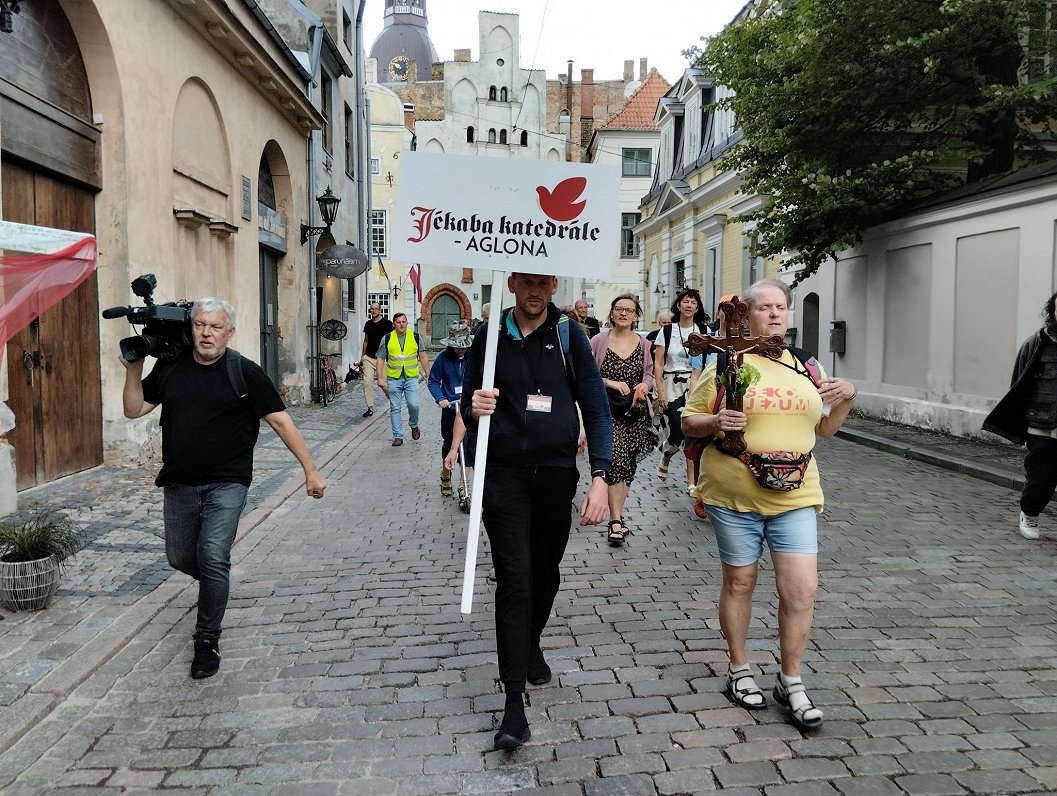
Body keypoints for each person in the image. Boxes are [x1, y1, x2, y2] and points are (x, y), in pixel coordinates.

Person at [681, 278, 856, 732]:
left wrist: (847, 400)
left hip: (796, 492)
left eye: (781, 307)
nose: (775, 314)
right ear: (746, 313)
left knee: (800, 589)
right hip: (734, 490)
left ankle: (790, 680)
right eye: (764, 307)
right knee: (740, 582)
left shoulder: (807, 368)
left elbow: (826, 430)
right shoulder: (725, 364)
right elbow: (688, 422)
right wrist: (716, 420)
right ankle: (740, 669)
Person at [120, 298, 326, 679]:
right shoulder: (171, 367)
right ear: (191, 328)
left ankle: (206, 639)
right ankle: (216, 585)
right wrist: (134, 370)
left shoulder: (244, 372)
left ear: (229, 333)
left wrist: (310, 470)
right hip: (180, 483)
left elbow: (281, 422)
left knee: (213, 555)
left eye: (215, 327)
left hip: (228, 482)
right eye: (200, 325)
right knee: (181, 558)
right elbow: (134, 409)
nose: (206, 333)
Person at [463, 272, 612, 751]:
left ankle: (531, 641)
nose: (534, 291)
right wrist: (474, 405)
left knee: (545, 572)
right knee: (515, 577)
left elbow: (595, 406)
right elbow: (464, 404)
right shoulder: (488, 334)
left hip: (554, 473)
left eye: (542, 283)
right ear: (510, 283)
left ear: (553, 286)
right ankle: (512, 702)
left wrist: (601, 476)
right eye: (525, 282)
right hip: (502, 472)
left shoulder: (571, 336)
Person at [983, 290, 1057, 540]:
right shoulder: (1037, 343)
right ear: (1052, 311)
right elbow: (1019, 382)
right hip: (1042, 423)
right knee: (1041, 477)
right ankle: (1030, 515)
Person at [589, 294, 657, 546]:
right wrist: (610, 382)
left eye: (629, 310)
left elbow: (649, 375)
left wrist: (643, 385)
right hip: (607, 411)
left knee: (628, 465)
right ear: (612, 313)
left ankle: (618, 514)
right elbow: (588, 373)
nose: (624, 314)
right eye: (619, 309)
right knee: (615, 460)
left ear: (636, 315)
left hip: (635, 412)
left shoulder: (644, 344)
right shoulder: (598, 341)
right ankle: (615, 520)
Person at [654, 287, 710, 490]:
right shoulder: (667, 331)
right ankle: (667, 453)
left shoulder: (703, 331)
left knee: (693, 432)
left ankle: (692, 482)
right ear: (679, 305)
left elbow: (709, 360)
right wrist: (660, 390)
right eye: (685, 301)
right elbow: (658, 363)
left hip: (697, 383)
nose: (689, 305)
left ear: (697, 308)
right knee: (677, 431)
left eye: (693, 302)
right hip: (671, 384)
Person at [428, 322, 474, 496]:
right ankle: (445, 474)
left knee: (468, 445)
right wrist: (441, 398)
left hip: (468, 409)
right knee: (449, 444)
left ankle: (464, 484)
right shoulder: (443, 359)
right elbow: (433, 381)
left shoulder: (473, 357)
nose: (460, 350)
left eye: (463, 347)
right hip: (450, 409)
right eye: (457, 347)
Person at [376, 312, 429, 446]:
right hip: (394, 378)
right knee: (395, 408)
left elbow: (422, 356)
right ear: (394, 324)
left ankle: (414, 424)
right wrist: (380, 378)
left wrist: (429, 374)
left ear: (407, 323)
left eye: (403, 322)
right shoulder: (387, 338)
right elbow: (380, 359)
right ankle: (398, 436)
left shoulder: (416, 337)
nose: (401, 324)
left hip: (411, 377)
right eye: (398, 322)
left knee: (414, 404)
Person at [356, 302, 394, 418]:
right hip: (369, 358)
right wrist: (362, 357)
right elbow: (366, 340)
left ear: (380, 310)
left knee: (383, 384)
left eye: (376, 309)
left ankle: (393, 401)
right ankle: (370, 407)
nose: (374, 311)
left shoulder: (387, 324)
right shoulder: (368, 324)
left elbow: (393, 339)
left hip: (382, 359)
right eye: (372, 309)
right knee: (367, 382)